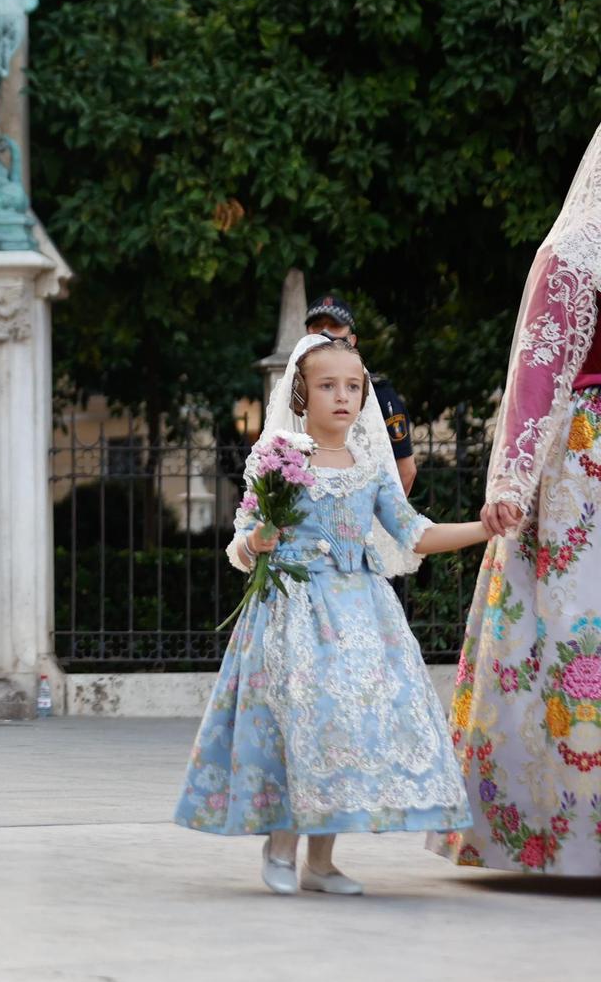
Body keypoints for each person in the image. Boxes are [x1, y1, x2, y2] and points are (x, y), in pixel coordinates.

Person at [176, 334, 482, 894]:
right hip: (294, 608)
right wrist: (257, 542)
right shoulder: (281, 459)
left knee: (348, 727)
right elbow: (243, 537)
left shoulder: (371, 468)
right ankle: (282, 844)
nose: (342, 396)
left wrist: (486, 529)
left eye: (353, 386)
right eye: (327, 386)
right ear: (302, 393)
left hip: (363, 614)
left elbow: (414, 532)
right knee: (303, 720)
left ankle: (321, 862)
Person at [433, 124, 601, 874]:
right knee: (569, 636)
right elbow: (537, 373)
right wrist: (511, 481)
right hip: (583, 471)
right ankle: (554, 830)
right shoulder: (575, 251)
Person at [305, 294, 417, 493]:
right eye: (317, 326)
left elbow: (405, 470)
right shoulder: (293, 392)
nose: (325, 333)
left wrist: (378, 519)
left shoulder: (378, 392)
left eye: (334, 326)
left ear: (352, 339)